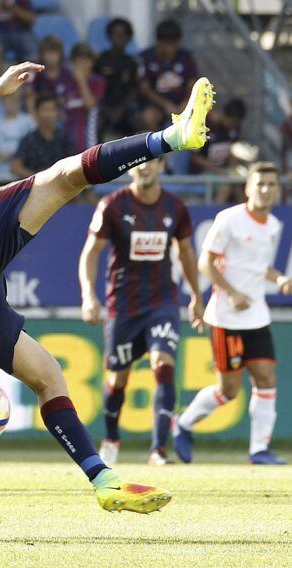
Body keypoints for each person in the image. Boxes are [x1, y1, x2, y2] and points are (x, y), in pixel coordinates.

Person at [0, 64, 215, 513]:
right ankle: (171, 138)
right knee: (68, 174)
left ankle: (103, 479)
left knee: (47, 374)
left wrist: (33, 187)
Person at [78, 157, 204, 466]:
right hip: (124, 305)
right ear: (130, 167)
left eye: (152, 162)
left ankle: (158, 449)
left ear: (162, 166)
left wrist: (197, 297)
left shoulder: (175, 207)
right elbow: (90, 253)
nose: (145, 168)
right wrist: (88, 296)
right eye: (139, 163)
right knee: (118, 379)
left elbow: (186, 252)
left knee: (164, 363)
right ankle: (111, 437)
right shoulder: (112, 205)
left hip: (163, 302)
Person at [173, 162, 292, 465]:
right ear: (248, 187)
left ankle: (259, 450)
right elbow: (206, 264)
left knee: (266, 379)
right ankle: (183, 423)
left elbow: (256, 265)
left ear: (278, 190)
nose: (266, 190)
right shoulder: (229, 219)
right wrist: (233, 292)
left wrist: (277, 278)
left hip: (257, 316)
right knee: (228, 391)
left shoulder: (274, 226)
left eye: (271, 184)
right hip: (227, 316)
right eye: (260, 184)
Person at [138, 19, 198, 129]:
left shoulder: (186, 57)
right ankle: (156, 145)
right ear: (159, 42)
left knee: (201, 117)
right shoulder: (146, 57)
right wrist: (166, 104)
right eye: (167, 44)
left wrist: (185, 105)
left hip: (182, 103)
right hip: (156, 105)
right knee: (149, 117)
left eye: (174, 44)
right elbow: (144, 88)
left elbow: (192, 84)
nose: (170, 48)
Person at [94, 17, 139, 139]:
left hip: (124, 107)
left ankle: (134, 155)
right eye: (115, 34)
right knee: (96, 123)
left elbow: (134, 90)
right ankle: (95, 155)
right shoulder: (100, 60)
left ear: (128, 38)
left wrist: (121, 109)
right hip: (104, 107)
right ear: (109, 36)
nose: (118, 38)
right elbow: (95, 87)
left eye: (122, 35)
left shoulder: (131, 63)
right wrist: (106, 108)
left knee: (137, 122)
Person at [11, 94, 73, 178]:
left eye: (52, 110)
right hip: (35, 187)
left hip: (61, 186)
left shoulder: (64, 138)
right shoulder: (28, 140)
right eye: (45, 110)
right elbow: (16, 167)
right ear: (36, 113)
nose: (49, 114)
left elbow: (73, 165)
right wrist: (39, 178)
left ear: (57, 113)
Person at [64, 43, 105, 151]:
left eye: (86, 61)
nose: (82, 65)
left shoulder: (97, 81)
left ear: (92, 63)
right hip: (67, 126)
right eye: (79, 61)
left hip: (88, 127)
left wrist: (81, 81)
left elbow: (90, 104)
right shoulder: (66, 80)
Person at [0, 90, 35, 177]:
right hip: (3, 169)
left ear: (19, 102)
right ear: (2, 103)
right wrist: (0, 156)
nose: (11, 103)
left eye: (14, 100)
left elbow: (34, 142)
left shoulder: (28, 121)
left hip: (24, 167)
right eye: (7, 101)